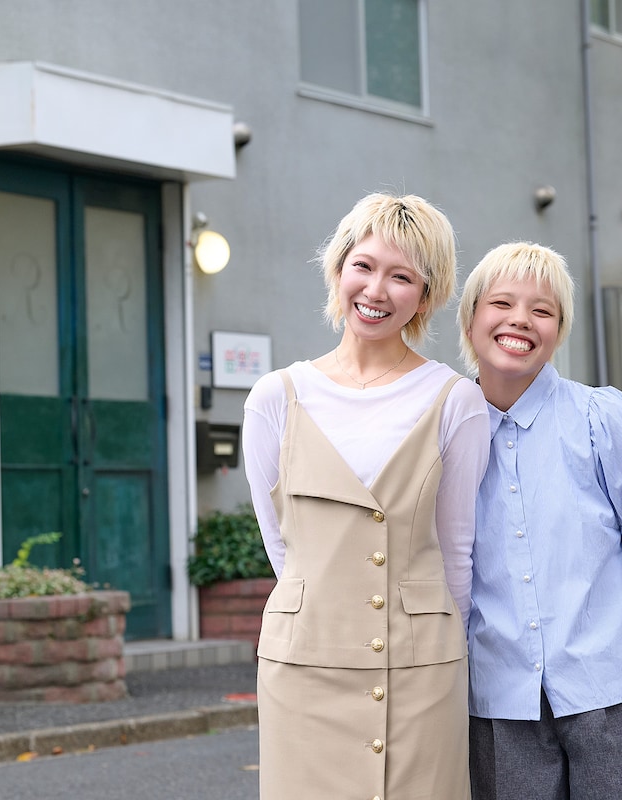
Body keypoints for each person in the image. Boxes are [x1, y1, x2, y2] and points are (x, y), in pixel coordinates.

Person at [241, 192, 489, 800]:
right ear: (338, 268)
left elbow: (457, 549)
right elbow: (287, 549)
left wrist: (447, 655)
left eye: (401, 276)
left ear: (426, 297)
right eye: (364, 266)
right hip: (306, 663)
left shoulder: (455, 400)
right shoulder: (275, 397)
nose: (376, 290)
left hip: (419, 667)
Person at [457, 242, 622, 800]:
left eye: (542, 310)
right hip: (499, 703)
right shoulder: (449, 432)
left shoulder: (601, 418)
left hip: (615, 692)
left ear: (559, 329)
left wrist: (610, 650)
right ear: (470, 319)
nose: (520, 320)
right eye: (502, 303)